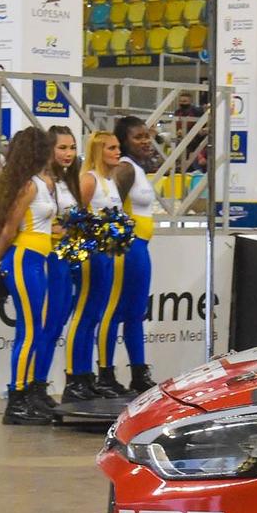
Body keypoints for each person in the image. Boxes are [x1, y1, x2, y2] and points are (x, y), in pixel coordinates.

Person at [0, 127, 59, 426]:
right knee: (29, 331)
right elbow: (9, 228)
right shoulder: (27, 186)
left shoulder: (44, 183)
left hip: (37, 259)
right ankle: (15, 400)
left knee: (36, 329)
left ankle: (28, 393)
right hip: (23, 258)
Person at [59, 131, 124, 403]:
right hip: (91, 254)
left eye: (118, 147)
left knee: (95, 313)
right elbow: (75, 218)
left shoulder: (110, 181)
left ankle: (86, 376)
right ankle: (74, 377)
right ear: (99, 151)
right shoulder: (90, 180)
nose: (117, 152)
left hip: (107, 254)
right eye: (112, 147)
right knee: (84, 313)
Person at [103, 116, 159, 395]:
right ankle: (107, 373)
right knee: (117, 311)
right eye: (138, 137)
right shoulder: (125, 169)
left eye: (147, 135)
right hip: (128, 248)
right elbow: (111, 205)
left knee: (136, 312)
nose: (146, 141)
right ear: (124, 142)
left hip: (140, 248)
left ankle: (138, 372)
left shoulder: (137, 168)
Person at [30, 127, 83, 411]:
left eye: (72, 148)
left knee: (58, 323)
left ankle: (41, 383)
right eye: (62, 148)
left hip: (66, 259)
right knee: (46, 325)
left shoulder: (67, 181)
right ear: (49, 149)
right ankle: (33, 385)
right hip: (46, 258)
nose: (68, 154)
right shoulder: (39, 182)